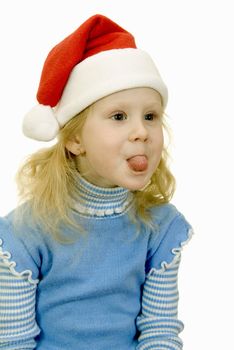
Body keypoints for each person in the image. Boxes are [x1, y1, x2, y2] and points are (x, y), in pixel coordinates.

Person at [0, 14, 193, 350]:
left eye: (151, 116)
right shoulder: (26, 232)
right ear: (75, 140)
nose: (141, 132)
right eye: (119, 116)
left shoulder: (161, 228)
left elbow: (160, 331)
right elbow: (13, 340)